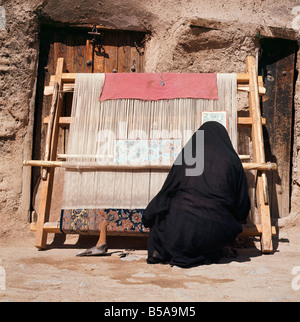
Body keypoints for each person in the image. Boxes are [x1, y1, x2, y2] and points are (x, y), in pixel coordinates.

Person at [142, 121, 250, 267]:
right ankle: (212, 249)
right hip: (216, 233)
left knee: (160, 217)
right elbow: (242, 204)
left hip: (180, 231)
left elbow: (168, 190)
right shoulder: (232, 160)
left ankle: (161, 251)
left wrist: (149, 216)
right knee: (219, 226)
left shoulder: (190, 154)